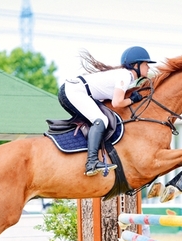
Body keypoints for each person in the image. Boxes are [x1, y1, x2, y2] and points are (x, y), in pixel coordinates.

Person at [58, 46, 156, 176]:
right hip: (74, 91)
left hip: (74, 91)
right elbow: (117, 103)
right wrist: (132, 100)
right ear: (135, 65)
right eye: (145, 64)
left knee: (99, 120)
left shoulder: (125, 77)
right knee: (101, 120)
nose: (148, 67)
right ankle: (91, 163)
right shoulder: (125, 75)